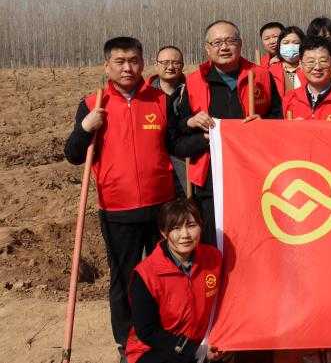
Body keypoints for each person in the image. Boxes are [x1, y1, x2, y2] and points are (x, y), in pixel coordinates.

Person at [64, 37, 176, 359]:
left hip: (161, 206)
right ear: (107, 66)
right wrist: (85, 127)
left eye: (134, 60)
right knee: (125, 277)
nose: (128, 68)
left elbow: (177, 144)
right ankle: (126, 341)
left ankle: (164, 332)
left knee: (164, 272)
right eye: (120, 61)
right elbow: (73, 154)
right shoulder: (92, 103)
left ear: (143, 63)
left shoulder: (160, 100)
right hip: (117, 208)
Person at [170, 20, 282, 245]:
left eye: (230, 41)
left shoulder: (261, 76)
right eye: (217, 42)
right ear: (207, 48)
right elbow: (178, 138)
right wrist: (198, 131)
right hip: (210, 179)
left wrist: (263, 125)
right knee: (215, 241)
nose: (224, 47)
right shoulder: (194, 82)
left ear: (240, 44)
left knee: (253, 241)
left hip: (254, 176)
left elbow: (280, 123)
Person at [125, 198, 225, 363]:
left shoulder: (214, 258)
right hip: (156, 350)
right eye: (176, 228)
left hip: (204, 344)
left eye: (191, 225)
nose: (185, 235)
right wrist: (194, 351)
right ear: (164, 233)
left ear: (201, 226)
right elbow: (147, 332)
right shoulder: (145, 275)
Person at [284, 36, 331, 121]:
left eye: (323, 61)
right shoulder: (289, 99)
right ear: (301, 65)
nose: (317, 67)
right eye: (310, 61)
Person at [149, 45, 188, 197]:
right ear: (156, 65)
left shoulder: (193, 90)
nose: (170, 67)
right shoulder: (144, 96)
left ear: (182, 65)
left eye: (176, 63)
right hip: (154, 163)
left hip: (184, 163)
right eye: (165, 63)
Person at [270, 26, 306, 99]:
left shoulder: (310, 69)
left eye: (296, 43)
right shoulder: (271, 71)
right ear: (279, 46)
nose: (290, 46)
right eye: (286, 43)